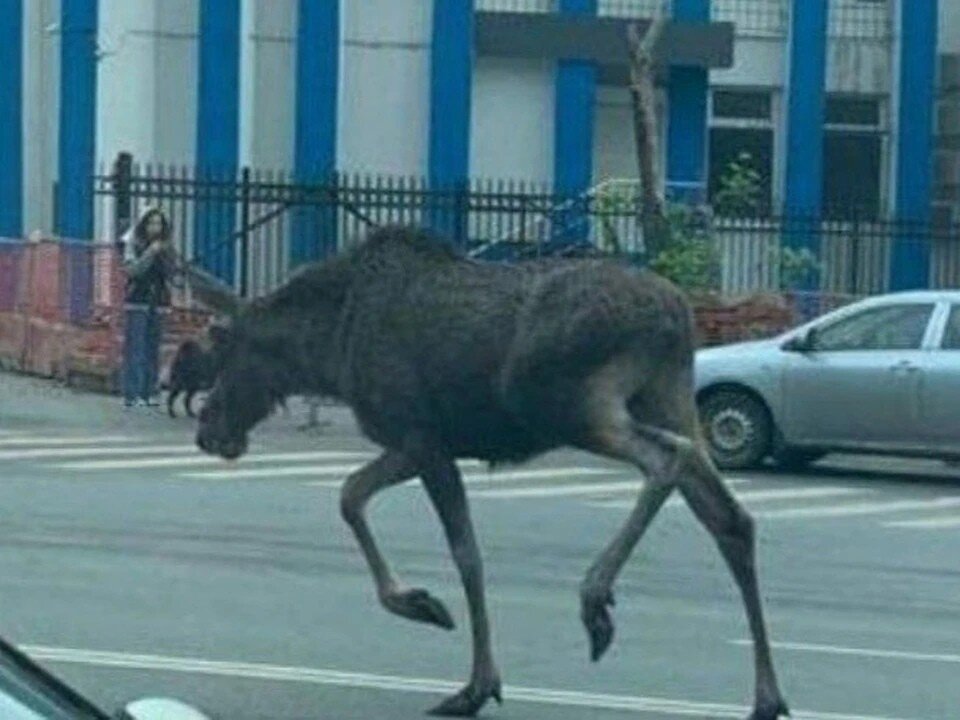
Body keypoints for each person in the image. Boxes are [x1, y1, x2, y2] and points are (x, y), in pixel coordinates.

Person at [121, 206, 175, 407]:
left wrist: (165, 255)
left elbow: (172, 272)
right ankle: (132, 393)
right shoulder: (133, 244)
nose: (155, 227)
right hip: (138, 300)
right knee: (136, 348)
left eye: (159, 223)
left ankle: (150, 391)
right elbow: (133, 271)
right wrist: (150, 253)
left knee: (153, 348)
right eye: (151, 223)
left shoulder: (166, 246)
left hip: (159, 300)